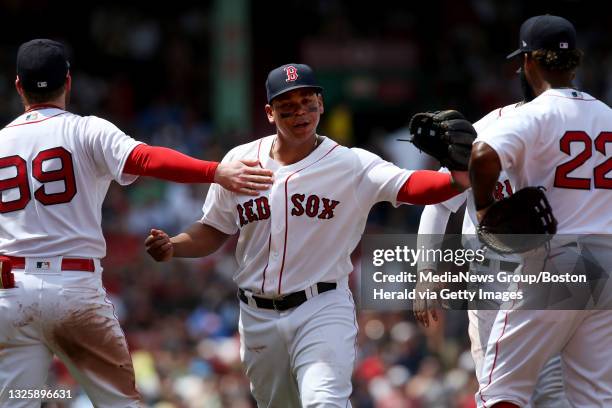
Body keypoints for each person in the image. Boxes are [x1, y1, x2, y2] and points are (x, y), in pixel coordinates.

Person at [145, 63, 470, 407]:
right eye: (288, 106)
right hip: (256, 315)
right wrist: (174, 247)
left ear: (321, 104)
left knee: (323, 401)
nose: (300, 112)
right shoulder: (240, 160)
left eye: (308, 102)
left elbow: (414, 187)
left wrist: (460, 174)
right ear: (270, 113)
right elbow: (213, 229)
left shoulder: (351, 165)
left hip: (322, 306)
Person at [0, 38, 273, 407]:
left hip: (10, 292)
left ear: (19, 85)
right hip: (72, 289)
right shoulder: (85, 129)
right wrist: (215, 171)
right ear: (69, 81)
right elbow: (145, 159)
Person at [469, 15, 612, 408]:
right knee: (594, 398)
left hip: (558, 260)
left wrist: (484, 210)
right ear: (574, 63)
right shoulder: (608, 115)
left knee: (500, 390)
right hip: (608, 263)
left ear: (529, 61)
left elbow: (482, 156)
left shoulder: (533, 114)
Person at [414, 100, 568, 408]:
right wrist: (427, 272)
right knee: (495, 391)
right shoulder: (480, 133)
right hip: (487, 285)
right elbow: (439, 203)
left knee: (552, 392)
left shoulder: (554, 136)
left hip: (543, 282)